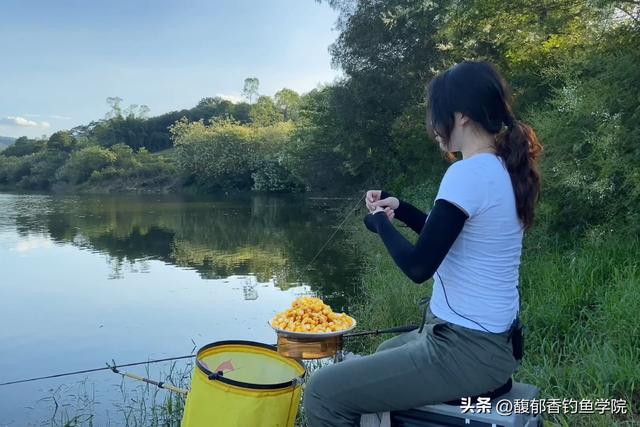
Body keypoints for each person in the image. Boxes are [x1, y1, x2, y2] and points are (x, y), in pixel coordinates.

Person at [302, 60, 543, 427]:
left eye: (436, 115)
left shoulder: (466, 172)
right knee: (385, 351)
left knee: (321, 392)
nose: (433, 126)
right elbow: (446, 235)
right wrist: (400, 209)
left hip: (466, 350)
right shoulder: (502, 168)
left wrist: (380, 226)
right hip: (489, 345)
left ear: (461, 116)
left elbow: (419, 267)